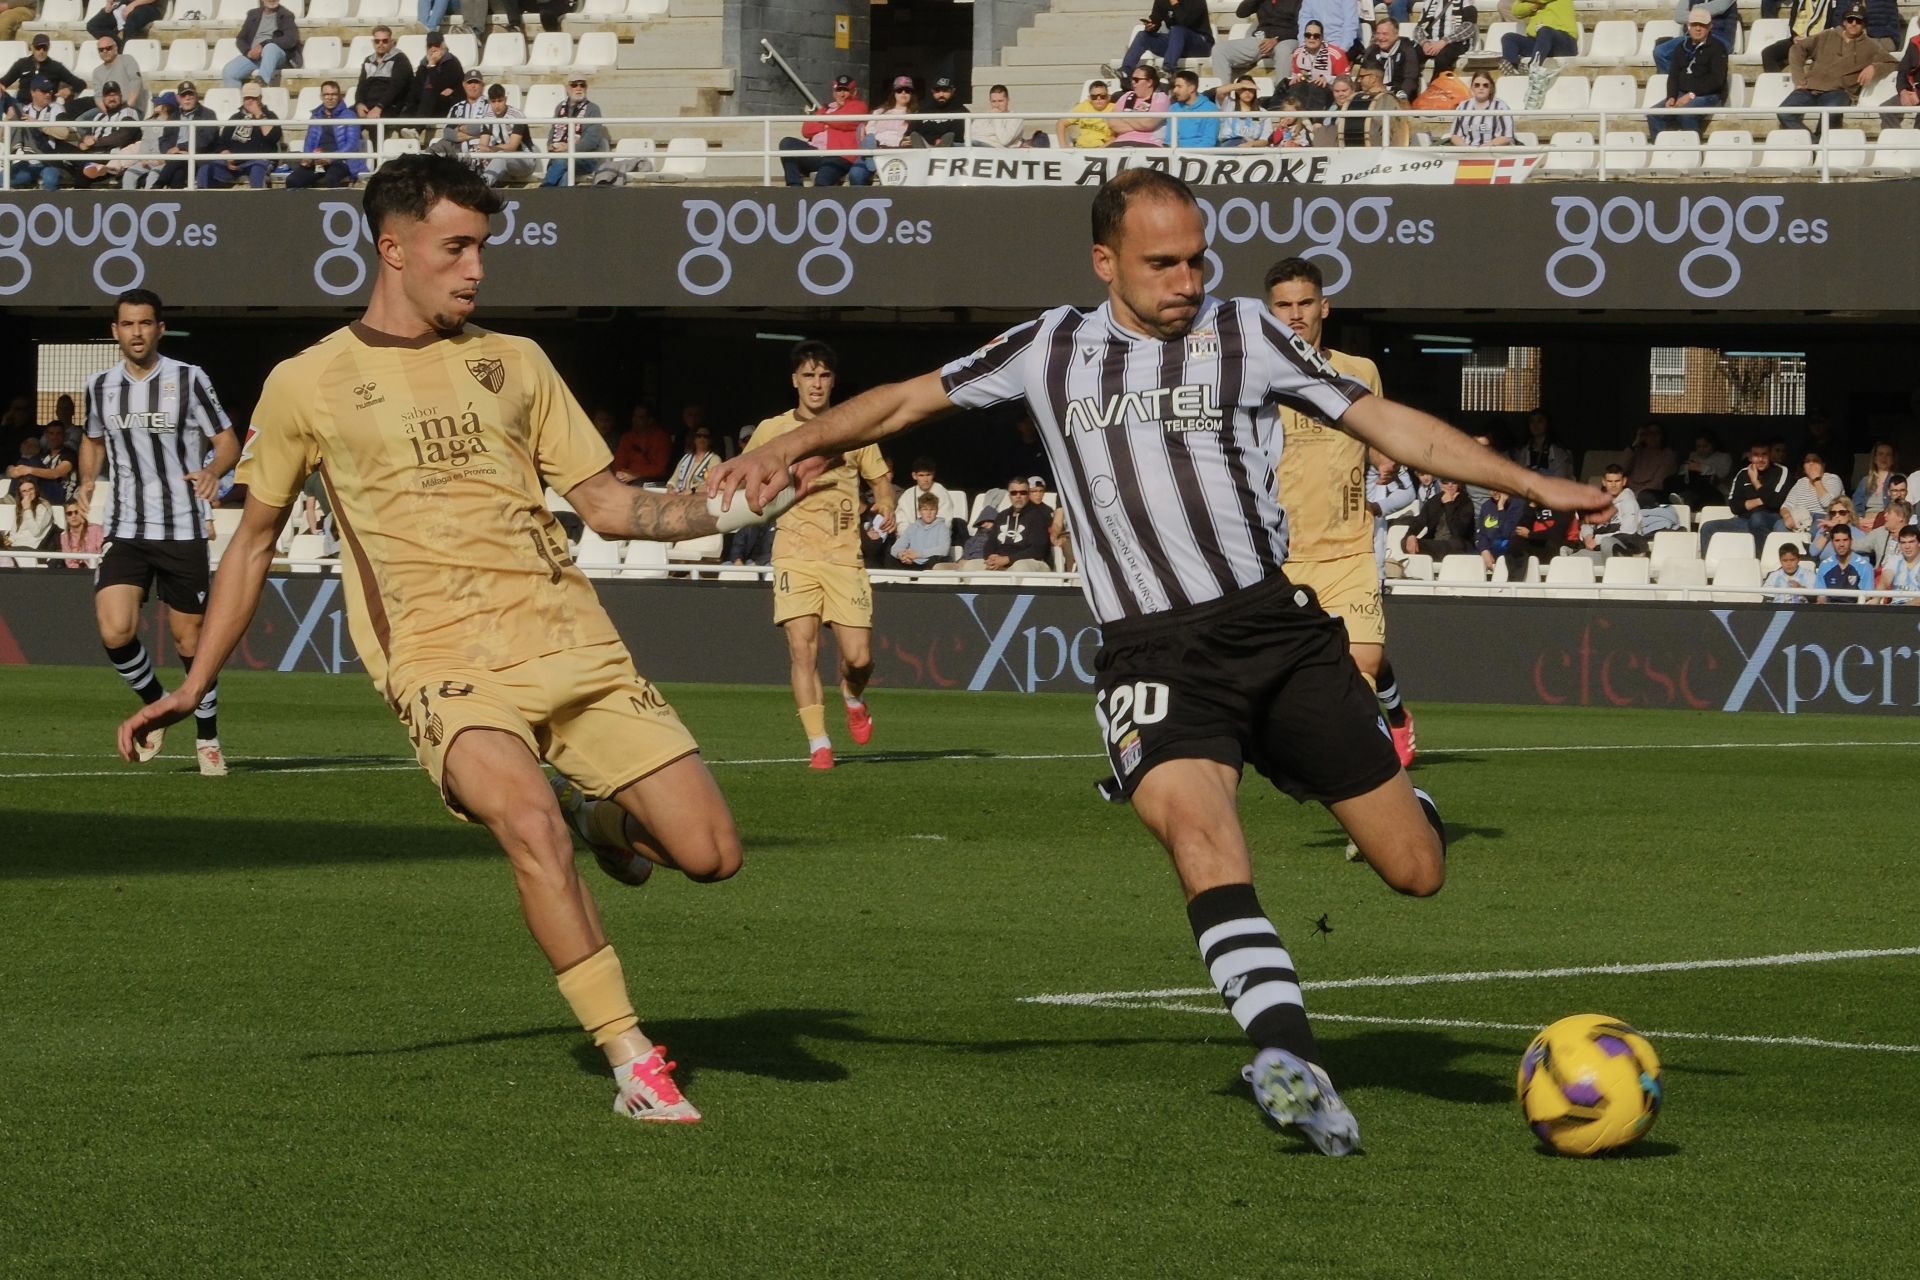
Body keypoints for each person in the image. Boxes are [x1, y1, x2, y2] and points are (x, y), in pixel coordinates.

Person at [705, 169, 1605, 1155]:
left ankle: (1405, 803)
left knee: (1415, 869)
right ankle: (1289, 1058)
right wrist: (789, 446)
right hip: (1153, 655)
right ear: (1106, 262)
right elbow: (899, 404)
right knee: (1200, 833)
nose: (1186, 280)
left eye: (1197, 260)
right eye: (1161, 263)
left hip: (1276, 631)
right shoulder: (1050, 345)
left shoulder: (1249, 335)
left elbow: (1385, 422)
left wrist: (1530, 481)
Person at [117, 154, 800, 1125]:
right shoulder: (306, 382)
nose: (476, 268)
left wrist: (725, 511)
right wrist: (195, 683)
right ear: (392, 248)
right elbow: (253, 543)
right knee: (524, 819)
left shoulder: (516, 360)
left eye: (482, 247)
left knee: (713, 852)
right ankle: (631, 1057)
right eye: (457, 247)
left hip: (572, 643)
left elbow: (608, 504)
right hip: (443, 662)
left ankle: (597, 815)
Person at [74, 288, 239, 777]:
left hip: (182, 527)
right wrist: (86, 480)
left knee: (191, 643)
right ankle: (157, 705)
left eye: (146, 323)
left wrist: (213, 470)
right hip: (125, 527)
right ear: (115, 331)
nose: (137, 332)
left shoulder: (188, 380)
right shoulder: (100, 385)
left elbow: (226, 441)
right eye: (128, 324)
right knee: (114, 628)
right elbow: (91, 439)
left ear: (160, 328)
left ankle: (207, 738)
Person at [1266, 256, 1417, 767]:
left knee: (1359, 671)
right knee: (1294, 699)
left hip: (1350, 552)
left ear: (1324, 307)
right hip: (1281, 561)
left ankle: (1385, 804)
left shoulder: (1360, 371)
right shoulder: (1252, 382)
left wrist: (1386, 452)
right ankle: (1389, 721)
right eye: (1283, 305)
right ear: (1269, 313)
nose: (1295, 314)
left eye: (1305, 303)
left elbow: (1378, 438)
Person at [741, 341, 892, 771]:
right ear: (795, 381)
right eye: (808, 376)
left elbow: (880, 479)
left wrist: (886, 502)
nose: (816, 384)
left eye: (824, 376)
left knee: (859, 658)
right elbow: (747, 473)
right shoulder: (773, 430)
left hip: (844, 556)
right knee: (802, 650)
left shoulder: (853, 426)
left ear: (833, 381)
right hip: (793, 553)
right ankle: (819, 743)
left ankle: (853, 696)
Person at [1780, 5, 1895, 134]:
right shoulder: (1826, 35)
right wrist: (1799, 79)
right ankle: (1813, 144)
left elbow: (1892, 62)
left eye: (1858, 21)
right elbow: (1797, 49)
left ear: (1864, 25)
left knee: (1829, 115)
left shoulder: (1871, 46)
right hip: (1809, 88)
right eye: (1850, 20)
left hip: (1839, 92)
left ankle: (1818, 146)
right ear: (1844, 22)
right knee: (1784, 113)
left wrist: (1874, 67)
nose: (1853, 24)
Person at [1698, 441, 1790, 553]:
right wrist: (1765, 498)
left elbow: (1775, 503)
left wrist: (1755, 481)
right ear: (1750, 457)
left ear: (1769, 455)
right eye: (1756, 455)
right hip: (1744, 520)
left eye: (1764, 454)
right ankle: (1705, 566)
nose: (1760, 459)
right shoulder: (1742, 473)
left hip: (1771, 518)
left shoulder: (1781, 471)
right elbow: (1734, 507)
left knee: (1758, 518)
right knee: (1708, 527)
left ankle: (1759, 562)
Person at [1651, 8, 1730, 136]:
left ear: (1710, 27)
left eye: (1702, 25)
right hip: (1683, 93)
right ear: (1688, 26)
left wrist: (1691, 95)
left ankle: (1692, 151)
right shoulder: (1681, 47)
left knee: (1686, 113)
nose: (1698, 29)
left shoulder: (1718, 48)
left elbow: (1716, 81)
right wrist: (1671, 96)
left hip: (1708, 95)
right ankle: (1661, 151)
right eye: (1694, 25)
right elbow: (1673, 76)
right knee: (1654, 114)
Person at [780, 73, 869, 186]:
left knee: (822, 181)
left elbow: (844, 122)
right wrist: (828, 123)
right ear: (834, 92)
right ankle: (794, 187)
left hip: (839, 156)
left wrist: (823, 120)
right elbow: (806, 130)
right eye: (838, 90)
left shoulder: (859, 106)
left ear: (854, 92)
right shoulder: (826, 108)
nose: (841, 94)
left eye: (846, 90)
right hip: (817, 154)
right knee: (787, 143)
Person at [197, 82, 281, 189]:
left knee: (258, 168)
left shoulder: (270, 116)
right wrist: (226, 155)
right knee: (205, 169)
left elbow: (273, 137)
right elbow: (222, 143)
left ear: (260, 98)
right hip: (233, 163)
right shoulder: (235, 118)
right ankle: (202, 200)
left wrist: (258, 115)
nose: (250, 101)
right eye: (247, 98)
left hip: (257, 161)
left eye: (253, 98)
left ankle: (260, 202)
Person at [286, 80, 364, 188]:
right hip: (318, 161)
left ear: (339, 96)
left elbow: (352, 144)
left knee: (329, 180)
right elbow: (309, 141)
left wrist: (330, 158)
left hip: (341, 161)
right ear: (321, 97)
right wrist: (307, 157)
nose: (330, 98)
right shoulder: (316, 116)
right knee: (292, 180)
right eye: (326, 94)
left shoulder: (349, 115)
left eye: (333, 94)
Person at [1117, 0, 1215, 80]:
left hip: (1200, 43)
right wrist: (1151, 26)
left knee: (1177, 29)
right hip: (1176, 43)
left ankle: (1168, 69)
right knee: (1143, 36)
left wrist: (1175, 4)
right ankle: (1125, 71)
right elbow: (1156, 20)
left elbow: (1186, 22)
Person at [1212, 0, 1302, 84]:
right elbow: (1241, 13)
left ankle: (1281, 96)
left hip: (1287, 38)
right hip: (1262, 39)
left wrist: (1277, 39)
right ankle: (1221, 95)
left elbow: (1301, 27)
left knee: (1283, 50)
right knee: (1220, 50)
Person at [222, 0, 302, 89]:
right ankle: (235, 101)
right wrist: (248, 52)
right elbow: (241, 39)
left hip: (277, 55)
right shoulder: (253, 14)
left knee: (270, 48)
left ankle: (262, 83)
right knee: (229, 72)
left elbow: (290, 40)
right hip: (255, 56)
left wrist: (264, 44)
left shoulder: (286, 15)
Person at [1578, 464, 1643, 559]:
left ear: (1624, 481)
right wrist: (1588, 537)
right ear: (1604, 482)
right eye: (1609, 481)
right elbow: (1587, 524)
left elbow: (1628, 532)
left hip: (1624, 550)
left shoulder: (1629, 503)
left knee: (1606, 544)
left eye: (1617, 481)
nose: (1613, 485)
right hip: (1596, 548)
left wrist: (1596, 540)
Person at [1400, 477, 1476, 558]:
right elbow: (1419, 521)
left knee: (1455, 544)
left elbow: (1458, 532)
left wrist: (1449, 505)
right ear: (1440, 484)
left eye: (1454, 482)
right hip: (1435, 543)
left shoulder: (1466, 502)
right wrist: (1410, 535)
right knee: (1406, 542)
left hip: (1459, 545)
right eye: (1445, 482)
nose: (1450, 485)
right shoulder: (1434, 501)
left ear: (1459, 484)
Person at [9, 419, 77, 506]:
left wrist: (29, 470)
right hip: (42, 493)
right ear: (46, 436)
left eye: (58, 433)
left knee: (32, 462)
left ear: (65, 436)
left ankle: (15, 496)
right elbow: (21, 468)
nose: (54, 437)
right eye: (51, 433)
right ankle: (12, 496)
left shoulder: (69, 454)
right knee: (24, 461)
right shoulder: (43, 455)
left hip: (61, 495)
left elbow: (56, 473)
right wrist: (13, 470)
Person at [1780, 451, 1845, 540]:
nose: (1811, 463)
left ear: (1823, 465)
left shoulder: (1833, 479)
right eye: (1807, 461)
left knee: (1815, 531)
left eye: (1815, 461)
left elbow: (1829, 503)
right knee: (1779, 525)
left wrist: (1816, 480)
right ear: (1804, 467)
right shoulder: (1801, 482)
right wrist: (1787, 517)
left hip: (1822, 516)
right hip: (1800, 518)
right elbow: (1786, 506)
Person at [352, 26, 412, 121]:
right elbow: (361, 86)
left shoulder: (400, 59)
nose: (381, 44)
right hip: (368, 105)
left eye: (385, 41)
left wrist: (379, 107)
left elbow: (396, 88)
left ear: (391, 41)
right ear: (373, 42)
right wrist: (359, 104)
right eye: (377, 41)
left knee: (374, 124)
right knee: (345, 116)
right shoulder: (368, 60)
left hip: (390, 105)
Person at [1446, 72, 1513, 145]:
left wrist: (1485, 148)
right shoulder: (1463, 106)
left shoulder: (1501, 107)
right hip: (1467, 151)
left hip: (1493, 152)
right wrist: (1466, 149)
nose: (1481, 88)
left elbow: (1507, 137)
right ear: (1472, 87)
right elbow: (1455, 135)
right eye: (1477, 85)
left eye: (1485, 85)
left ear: (1491, 88)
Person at [1619, 421, 1677, 504]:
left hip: (1650, 493)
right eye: (1648, 433)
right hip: (1629, 490)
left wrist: (1635, 495)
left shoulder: (1667, 454)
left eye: (1657, 433)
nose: (1653, 436)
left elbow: (1658, 482)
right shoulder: (1636, 450)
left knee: (1645, 497)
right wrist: (1634, 444)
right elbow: (1618, 470)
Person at [890, 491, 951, 570]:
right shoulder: (912, 527)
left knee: (935, 560)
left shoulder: (943, 528)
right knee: (891, 557)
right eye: (925, 509)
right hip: (912, 562)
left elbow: (943, 550)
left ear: (937, 511)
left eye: (932, 509)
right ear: (919, 511)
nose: (928, 513)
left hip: (930, 562)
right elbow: (896, 547)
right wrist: (901, 555)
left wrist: (918, 554)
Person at [1164, 69, 1222, 148]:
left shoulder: (1210, 108)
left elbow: (1209, 141)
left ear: (1191, 88)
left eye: (1179, 87)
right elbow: (1169, 139)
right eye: (1175, 86)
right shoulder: (1173, 108)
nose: (1175, 90)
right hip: (1176, 154)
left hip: (1201, 155)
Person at [611, 406, 670, 483]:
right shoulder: (627, 437)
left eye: (640, 417)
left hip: (651, 480)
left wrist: (636, 475)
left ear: (650, 420)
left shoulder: (661, 437)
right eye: (634, 416)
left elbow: (661, 469)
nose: (635, 420)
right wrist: (620, 473)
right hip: (627, 477)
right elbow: (619, 462)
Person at [1816, 524, 1872, 602]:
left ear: (1851, 541)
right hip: (1830, 611)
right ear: (1832, 542)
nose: (1841, 544)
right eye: (1837, 541)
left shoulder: (1864, 566)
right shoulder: (1824, 565)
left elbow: (1867, 597)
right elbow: (1821, 597)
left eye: (1845, 540)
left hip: (1855, 611)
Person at [0, 476, 54, 555]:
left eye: (31, 489)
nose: (28, 493)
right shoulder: (20, 507)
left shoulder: (43, 507)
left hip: (30, 548)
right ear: (20, 494)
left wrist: (27, 509)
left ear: (36, 489)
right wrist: (10, 540)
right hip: (15, 546)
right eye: (24, 491)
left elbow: (36, 531)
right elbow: (15, 531)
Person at [87, 0, 165, 54]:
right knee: (93, 25)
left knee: (131, 18)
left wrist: (133, 5)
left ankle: (126, 54)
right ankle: (119, 47)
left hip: (150, 6)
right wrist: (109, 3)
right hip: (125, 3)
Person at [911, 75, 967, 146]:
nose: (941, 94)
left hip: (951, 148)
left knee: (949, 137)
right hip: (925, 146)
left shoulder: (961, 110)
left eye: (945, 90)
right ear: (932, 91)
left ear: (953, 91)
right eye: (937, 90)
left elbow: (958, 136)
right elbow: (912, 132)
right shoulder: (923, 110)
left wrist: (940, 141)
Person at [1058, 79, 1116, 147]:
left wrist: (1103, 147)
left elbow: (1119, 134)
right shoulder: (1083, 106)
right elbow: (1061, 123)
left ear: (1109, 97)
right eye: (1094, 97)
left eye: (1102, 96)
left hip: (1103, 149)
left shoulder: (1115, 108)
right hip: (1080, 148)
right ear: (1089, 98)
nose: (1098, 99)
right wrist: (1063, 145)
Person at [1218, 76, 1274, 145]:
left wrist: (1251, 144)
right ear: (1237, 90)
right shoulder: (1228, 104)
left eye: (1251, 89)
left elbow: (1265, 140)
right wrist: (1241, 85)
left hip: (1251, 147)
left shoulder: (1263, 113)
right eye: (1243, 89)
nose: (1247, 92)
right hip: (1229, 145)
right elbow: (1219, 91)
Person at [666, 425, 718, 493]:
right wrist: (670, 489)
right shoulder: (686, 458)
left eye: (706, 437)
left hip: (699, 498)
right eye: (699, 436)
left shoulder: (714, 459)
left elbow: (712, 484)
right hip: (679, 496)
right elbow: (673, 480)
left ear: (710, 440)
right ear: (694, 439)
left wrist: (693, 491)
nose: (702, 439)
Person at [1877, 524, 1920, 601]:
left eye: (1911, 542)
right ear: (1899, 544)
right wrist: (1876, 599)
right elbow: (1885, 581)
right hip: (1896, 610)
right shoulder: (1894, 560)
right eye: (1903, 542)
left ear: (1919, 543)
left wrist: (1906, 608)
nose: (1907, 546)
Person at [60, 498, 104, 569]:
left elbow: (102, 554)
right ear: (66, 517)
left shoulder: (96, 530)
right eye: (69, 513)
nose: (73, 516)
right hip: (77, 574)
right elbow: (69, 562)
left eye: (76, 512)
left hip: (98, 569)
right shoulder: (64, 536)